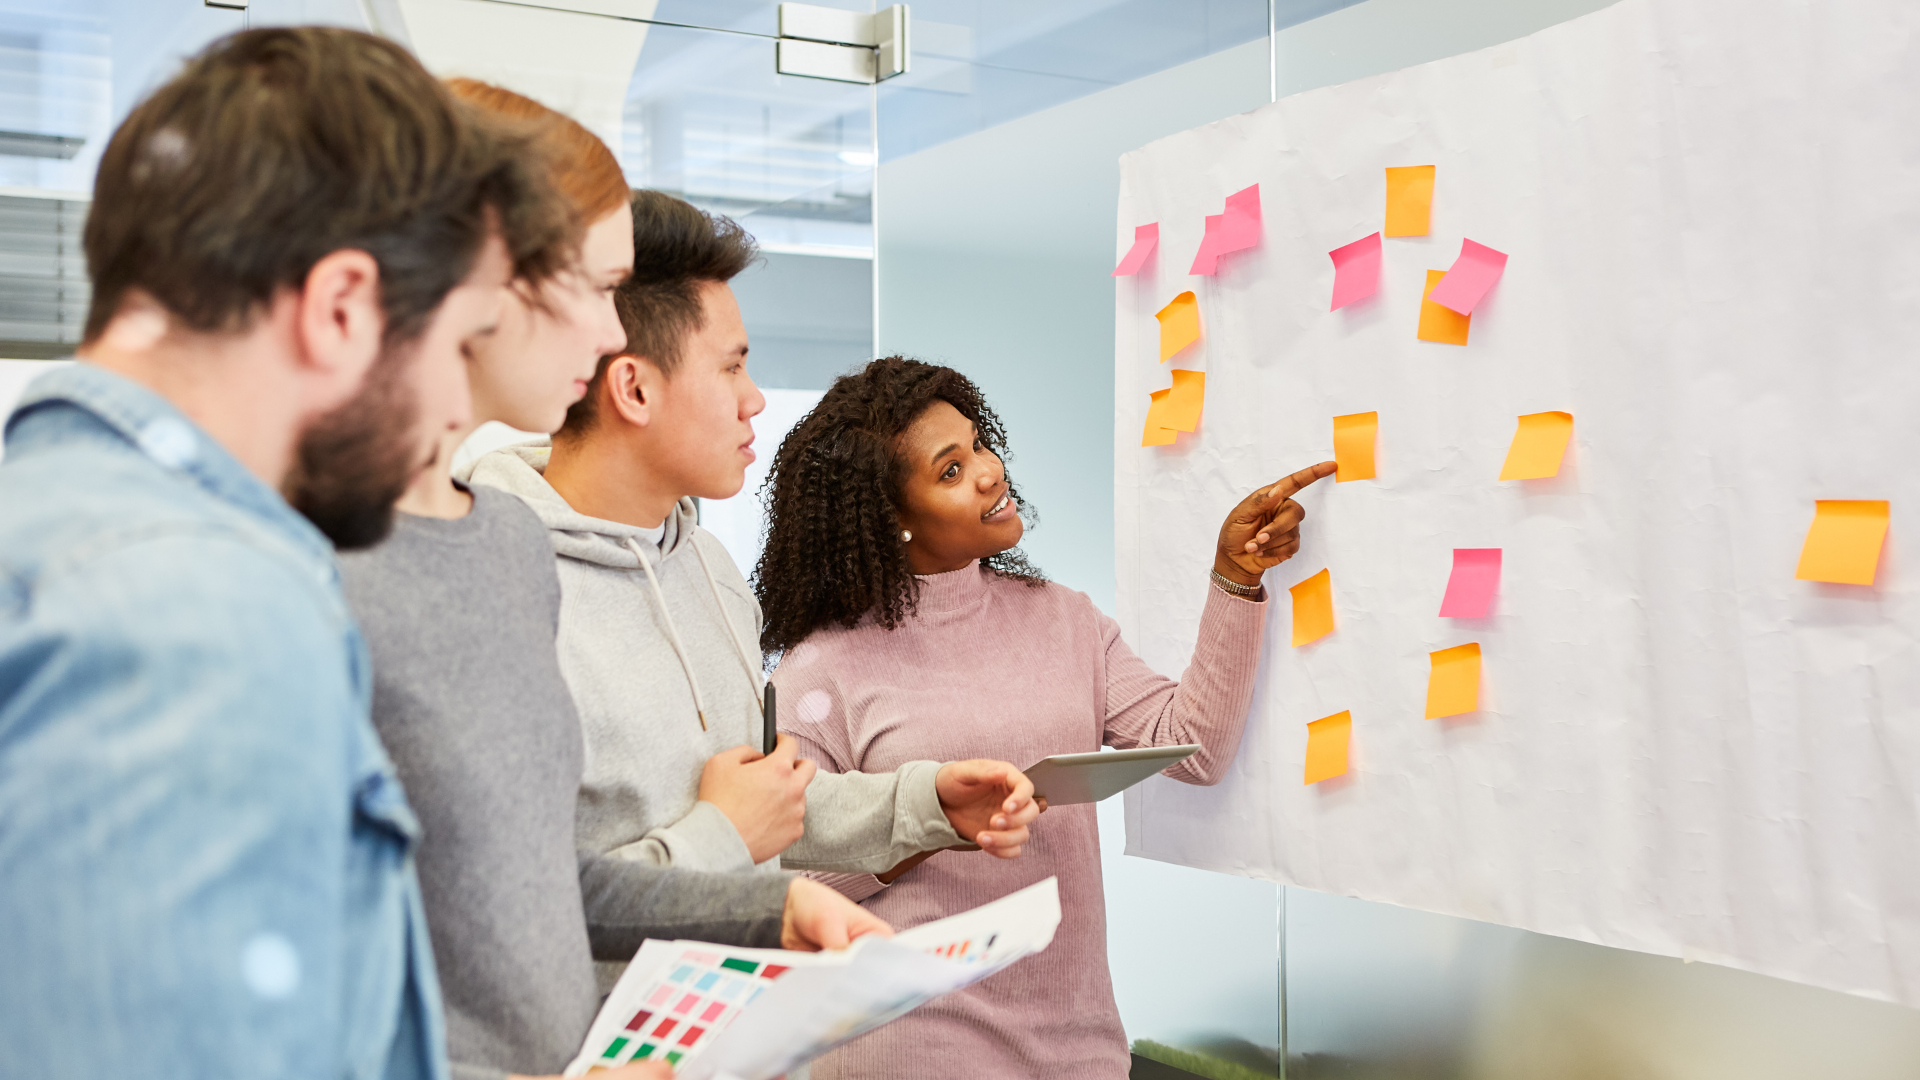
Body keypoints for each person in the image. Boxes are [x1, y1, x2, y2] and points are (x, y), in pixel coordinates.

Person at [0, 28, 572, 1079]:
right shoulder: (195, 610)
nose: (456, 406)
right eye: (455, 344)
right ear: (341, 307)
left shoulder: (51, 527)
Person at [338, 84, 889, 1080]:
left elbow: (534, 884)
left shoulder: (496, 545)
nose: (604, 336)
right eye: (591, 288)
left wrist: (769, 902)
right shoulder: (317, 559)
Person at [464, 192, 1041, 989]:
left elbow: (769, 803)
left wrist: (927, 803)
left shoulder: (709, 568)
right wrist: (720, 834)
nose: (756, 398)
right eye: (732, 366)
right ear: (634, 390)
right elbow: (488, 909)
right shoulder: (493, 595)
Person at [757, 356, 1338, 1079]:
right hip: (911, 1043)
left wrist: (1236, 578)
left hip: (1077, 1043)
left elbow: (1191, 749)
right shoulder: (822, 670)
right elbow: (782, 879)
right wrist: (931, 822)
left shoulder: (1063, 617)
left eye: (978, 445)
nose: (989, 471)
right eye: (949, 470)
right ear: (889, 520)